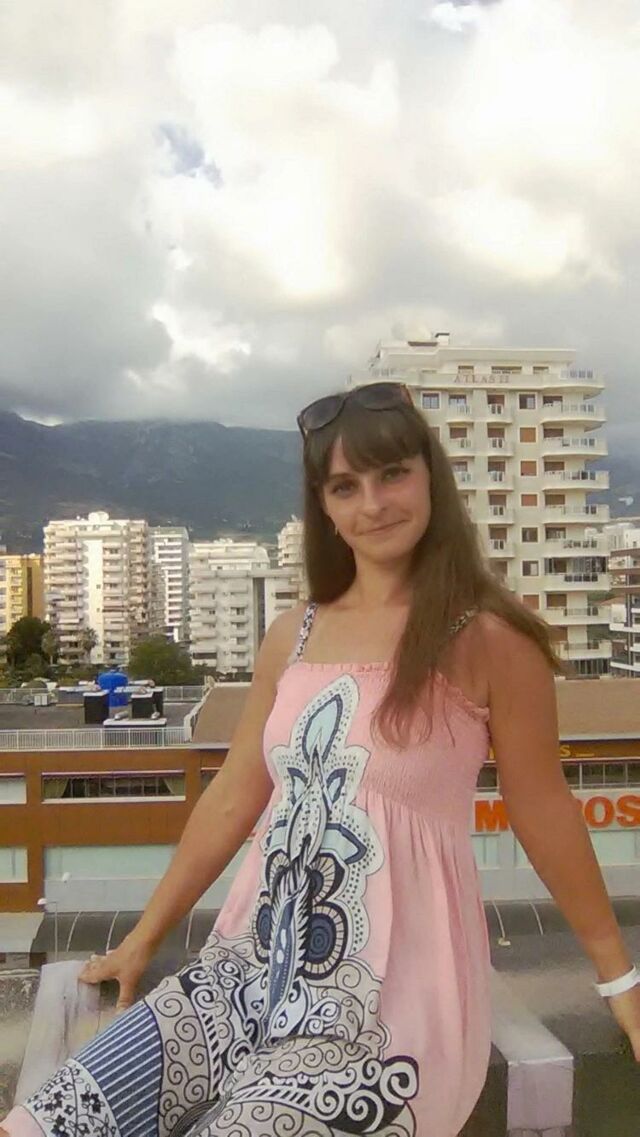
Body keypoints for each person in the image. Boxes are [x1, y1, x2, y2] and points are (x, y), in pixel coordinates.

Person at [3, 380, 640, 1137]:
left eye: (392, 474)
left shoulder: (491, 639)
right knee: (47, 1122)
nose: (373, 503)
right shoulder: (294, 633)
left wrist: (621, 980)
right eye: (345, 486)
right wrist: (143, 937)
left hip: (388, 1008)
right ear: (325, 508)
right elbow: (234, 795)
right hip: (244, 976)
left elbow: (543, 811)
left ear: (430, 477)